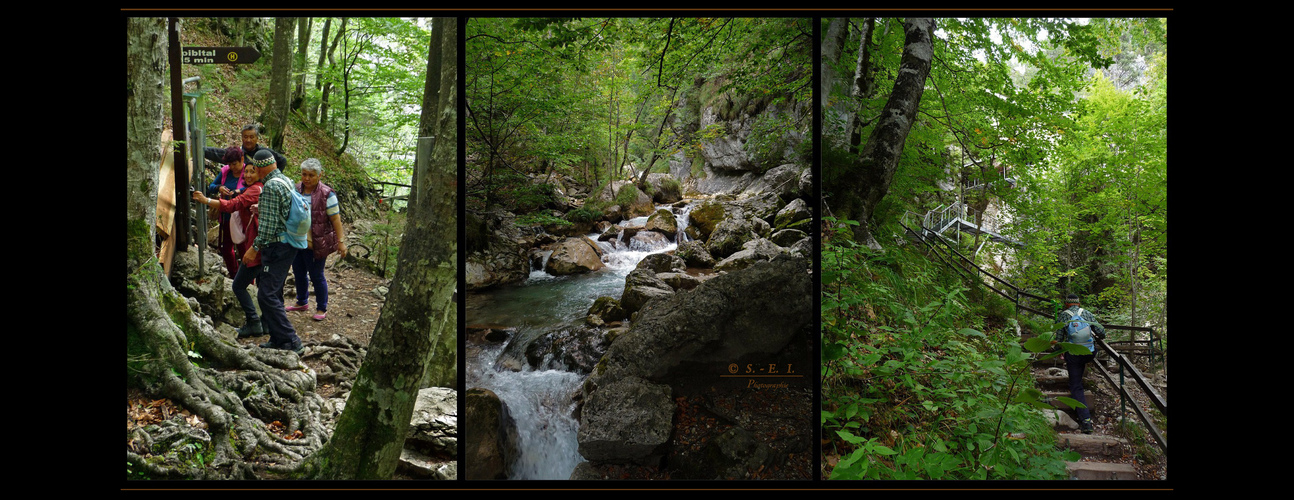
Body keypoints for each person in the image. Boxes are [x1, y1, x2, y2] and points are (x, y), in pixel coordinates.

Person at [243, 149, 305, 354]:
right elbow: (282, 210)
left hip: (278, 246)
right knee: (274, 292)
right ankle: (279, 340)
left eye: (255, 168)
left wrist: (254, 248)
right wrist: (262, 209)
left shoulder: (269, 186)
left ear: (261, 167)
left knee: (266, 295)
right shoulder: (285, 180)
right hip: (289, 244)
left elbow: (268, 227)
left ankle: (292, 340)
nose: (254, 172)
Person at [193, 164, 265, 338]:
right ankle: (266, 323)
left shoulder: (255, 190)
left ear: (260, 173)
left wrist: (206, 200)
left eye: (252, 171)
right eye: (246, 171)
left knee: (238, 285)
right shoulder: (254, 189)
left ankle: (254, 322)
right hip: (260, 246)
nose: (247, 175)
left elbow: (232, 205)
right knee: (264, 286)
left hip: (257, 248)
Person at [286, 158, 347, 321]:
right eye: (304, 174)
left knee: (316, 274)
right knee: (298, 272)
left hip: (316, 242)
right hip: (296, 239)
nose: (306, 178)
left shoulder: (327, 193)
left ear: (320, 175)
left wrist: (341, 241)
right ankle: (301, 301)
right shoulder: (296, 189)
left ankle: (321, 307)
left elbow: (335, 219)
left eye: (311, 175)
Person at [1056, 293, 1106, 434]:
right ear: (1078, 303)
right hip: (1089, 353)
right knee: (1080, 365)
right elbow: (1102, 332)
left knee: (1076, 385)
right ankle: (1080, 372)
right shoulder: (1087, 313)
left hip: (1074, 355)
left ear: (1067, 304)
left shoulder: (1063, 316)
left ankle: (1085, 421)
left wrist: (1059, 351)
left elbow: (1058, 338)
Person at [205, 147, 247, 277]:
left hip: (242, 217)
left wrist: (240, 191)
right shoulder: (225, 172)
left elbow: (254, 187)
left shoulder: (248, 171)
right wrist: (220, 188)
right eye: (230, 164)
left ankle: (248, 278)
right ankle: (234, 274)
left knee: (243, 248)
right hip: (227, 216)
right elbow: (211, 187)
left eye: (235, 164)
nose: (232, 167)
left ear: (242, 160)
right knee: (226, 247)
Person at [205, 123, 288, 179]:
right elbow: (217, 153)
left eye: (252, 137)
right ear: (241, 138)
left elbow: (282, 160)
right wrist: (202, 150)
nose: (248, 140)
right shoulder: (237, 153)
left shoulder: (264, 153)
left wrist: (272, 177)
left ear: (257, 138)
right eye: (245, 137)